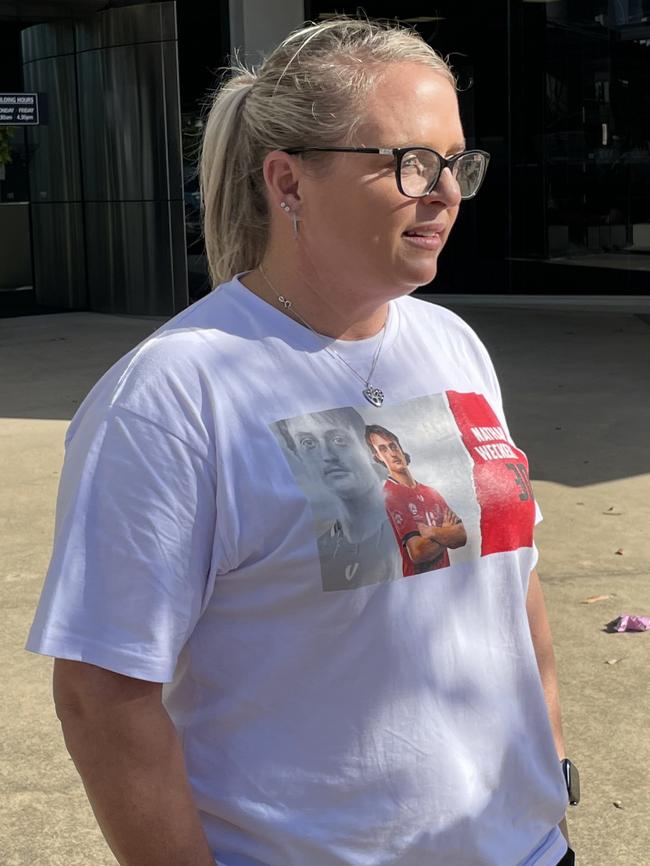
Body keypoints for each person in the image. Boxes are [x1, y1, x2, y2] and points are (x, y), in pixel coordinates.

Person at [26, 16, 576, 866]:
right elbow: (103, 692)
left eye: (457, 161)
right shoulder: (175, 394)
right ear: (287, 181)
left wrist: (552, 778)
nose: (445, 191)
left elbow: (512, 590)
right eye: (409, 162)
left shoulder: (454, 346)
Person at [274, 408, 401, 590]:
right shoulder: (317, 550)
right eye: (308, 443)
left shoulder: (408, 524)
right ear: (299, 456)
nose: (326, 456)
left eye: (338, 440)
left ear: (368, 449)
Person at [365, 423, 467, 574]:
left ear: (400, 448)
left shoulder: (431, 492)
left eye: (393, 446)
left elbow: (461, 536)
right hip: (418, 586)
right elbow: (419, 553)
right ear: (378, 457)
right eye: (383, 449)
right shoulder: (390, 495)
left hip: (447, 581)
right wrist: (447, 533)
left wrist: (432, 532)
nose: (392, 453)